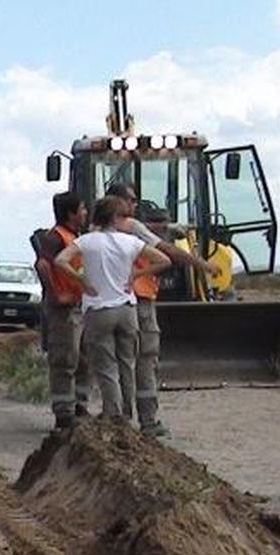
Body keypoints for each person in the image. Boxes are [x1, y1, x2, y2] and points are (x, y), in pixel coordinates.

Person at [105, 183, 220, 436]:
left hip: (110, 303)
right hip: (140, 299)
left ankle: (119, 419)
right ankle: (148, 420)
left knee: (120, 362)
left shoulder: (97, 231)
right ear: (118, 201)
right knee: (146, 359)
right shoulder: (132, 227)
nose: (135, 205)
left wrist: (165, 228)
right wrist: (202, 264)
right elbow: (166, 251)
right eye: (131, 200)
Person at [54, 195, 171, 420]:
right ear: (115, 218)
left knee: (106, 366)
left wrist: (82, 279)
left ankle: (113, 413)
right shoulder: (130, 242)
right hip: (127, 309)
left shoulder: (87, 241)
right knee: (127, 363)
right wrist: (137, 274)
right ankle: (128, 412)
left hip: (99, 310)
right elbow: (164, 260)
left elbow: (60, 260)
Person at [33, 192, 92, 429]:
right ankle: (64, 412)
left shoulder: (74, 237)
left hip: (79, 306)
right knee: (65, 360)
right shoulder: (55, 238)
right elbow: (43, 265)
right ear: (71, 213)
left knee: (83, 360)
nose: (85, 213)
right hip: (64, 310)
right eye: (82, 209)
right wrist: (57, 294)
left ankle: (79, 405)